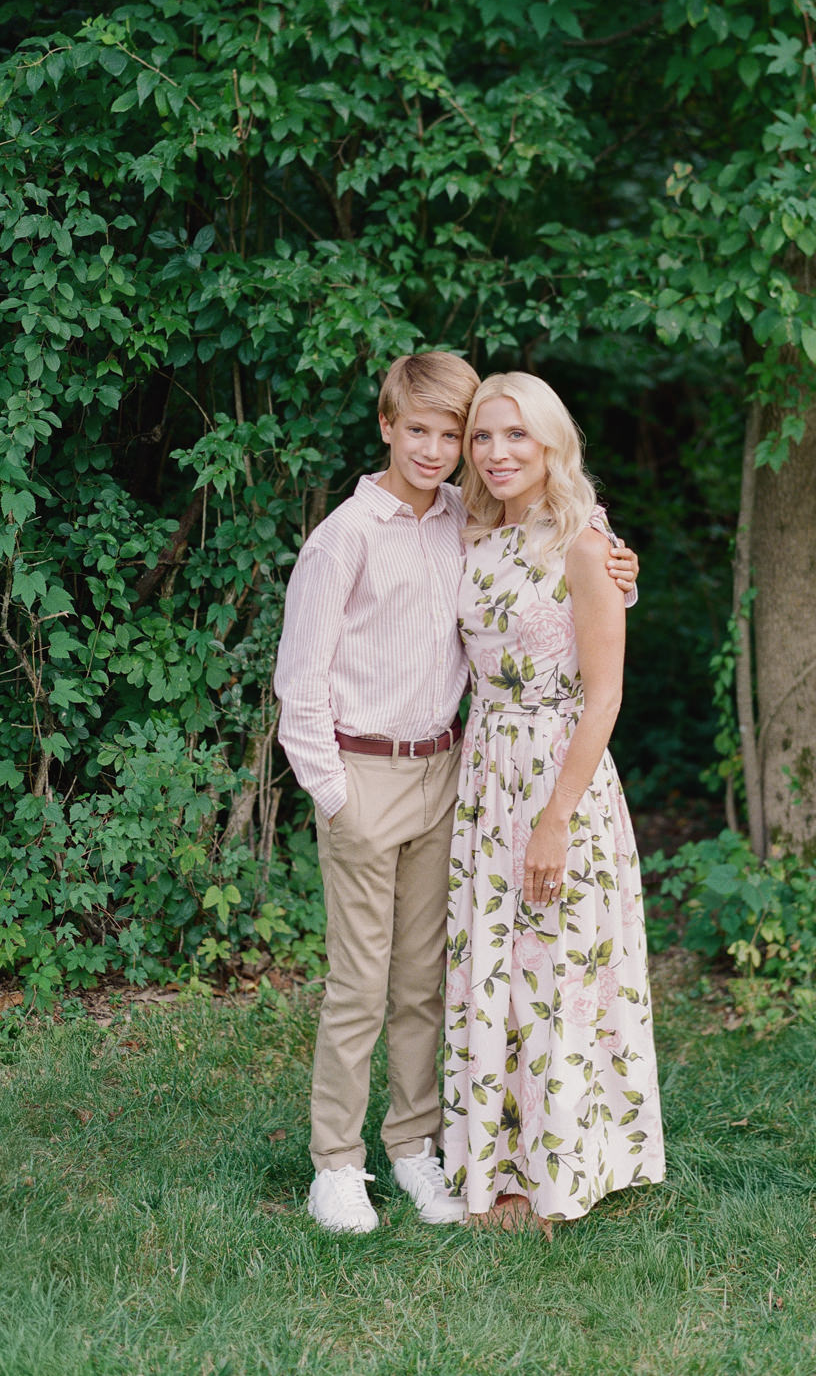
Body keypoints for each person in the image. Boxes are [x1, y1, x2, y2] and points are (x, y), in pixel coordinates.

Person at [272, 351, 638, 1235]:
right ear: (388, 429)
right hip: (370, 775)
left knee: (429, 983)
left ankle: (412, 1148)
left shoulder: (459, 521)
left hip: (455, 772)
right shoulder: (347, 537)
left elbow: (566, 574)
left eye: (456, 434)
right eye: (430, 432)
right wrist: (334, 793)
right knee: (359, 982)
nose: (446, 450)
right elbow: (299, 684)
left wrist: (618, 567)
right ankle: (337, 1166)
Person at [442, 372, 665, 1232]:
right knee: (493, 972)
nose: (497, 454)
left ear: (551, 445)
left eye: (516, 437)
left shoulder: (584, 542)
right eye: (484, 438)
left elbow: (605, 694)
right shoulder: (470, 535)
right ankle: (495, 1168)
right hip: (486, 773)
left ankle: (561, 1171)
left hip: (558, 777)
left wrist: (556, 816)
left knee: (557, 971)